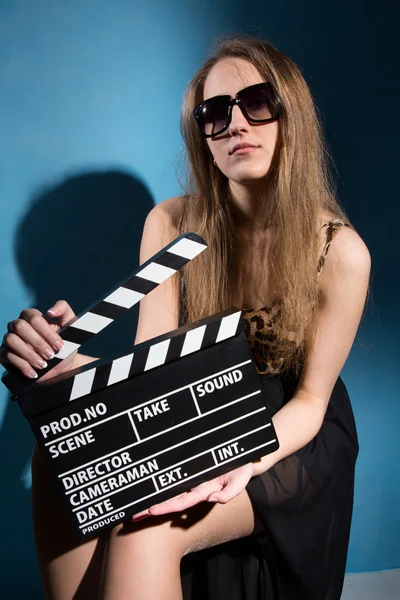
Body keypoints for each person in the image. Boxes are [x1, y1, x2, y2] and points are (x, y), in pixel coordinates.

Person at [0, 36, 370, 600]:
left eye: (258, 102)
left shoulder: (339, 254)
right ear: (202, 135)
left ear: (290, 114)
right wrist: (66, 362)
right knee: (58, 454)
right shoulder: (172, 225)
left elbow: (311, 405)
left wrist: (241, 462)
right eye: (214, 112)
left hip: (285, 436)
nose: (237, 124)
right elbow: (152, 368)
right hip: (196, 408)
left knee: (142, 531)